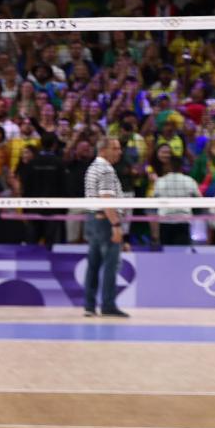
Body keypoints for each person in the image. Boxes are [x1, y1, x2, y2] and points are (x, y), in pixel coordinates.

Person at [83, 135, 129, 317]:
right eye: (115, 148)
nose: (120, 152)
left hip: (93, 220)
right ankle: (108, 305)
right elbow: (107, 199)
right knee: (111, 265)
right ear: (103, 150)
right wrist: (116, 225)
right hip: (105, 221)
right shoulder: (106, 170)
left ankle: (89, 305)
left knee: (93, 265)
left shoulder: (93, 167)